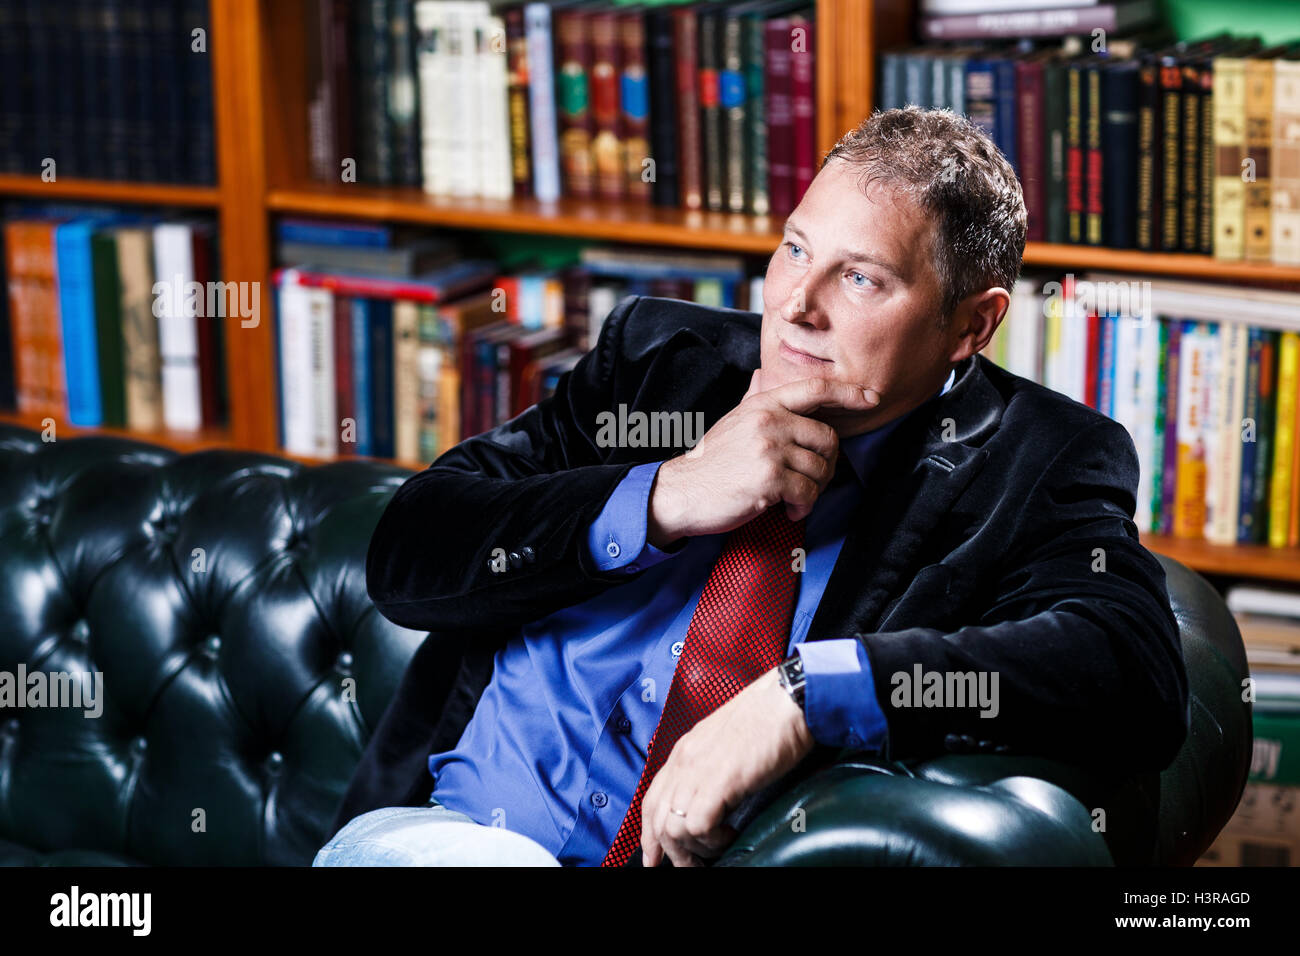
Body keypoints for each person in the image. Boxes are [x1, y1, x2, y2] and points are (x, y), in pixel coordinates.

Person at [313, 106, 1189, 868]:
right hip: (444, 837)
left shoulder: (1037, 460)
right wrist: (665, 495)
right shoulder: (659, 364)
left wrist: (813, 693)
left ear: (973, 323)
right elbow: (407, 552)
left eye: (860, 277)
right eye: (794, 248)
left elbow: (1134, 669)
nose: (796, 303)